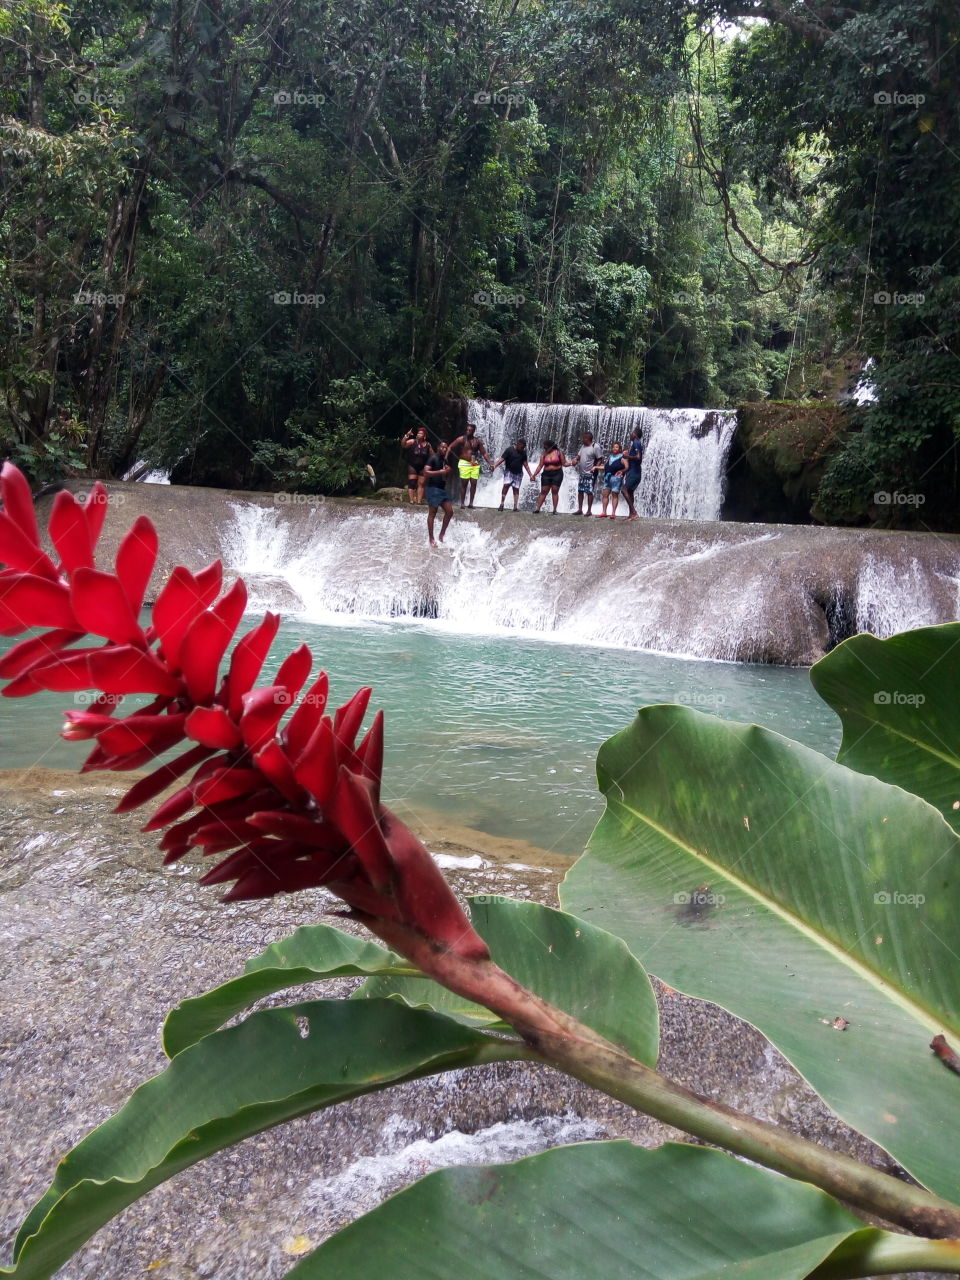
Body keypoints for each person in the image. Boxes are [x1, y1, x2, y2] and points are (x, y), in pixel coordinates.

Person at [447, 422, 494, 509]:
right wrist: (445, 458)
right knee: (464, 483)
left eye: (470, 430)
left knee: (474, 483)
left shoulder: (477, 441)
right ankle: (462, 503)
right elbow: (450, 447)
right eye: (467, 430)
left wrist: (491, 463)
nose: (468, 431)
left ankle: (471, 503)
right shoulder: (461, 439)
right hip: (464, 462)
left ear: (473, 431)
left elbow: (484, 453)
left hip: (474, 463)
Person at [566, 431, 604, 515]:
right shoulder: (583, 446)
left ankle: (589, 510)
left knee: (589, 491)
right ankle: (580, 509)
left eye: (583, 438)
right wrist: (575, 459)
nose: (581, 440)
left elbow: (600, 459)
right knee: (580, 491)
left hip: (591, 473)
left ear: (587, 438)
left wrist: (595, 467)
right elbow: (578, 456)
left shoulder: (595, 446)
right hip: (582, 473)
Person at [424, 441, 453, 546]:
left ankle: (441, 535)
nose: (444, 449)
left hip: (442, 490)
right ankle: (431, 538)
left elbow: (447, 474)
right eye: (442, 447)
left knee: (449, 512)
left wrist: (449, 470)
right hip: (433, 489)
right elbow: (426, 472)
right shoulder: (433, 458)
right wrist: (439, 472)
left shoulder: (445, 460)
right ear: (438, 448)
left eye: (446, 448)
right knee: (432, 513)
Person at [493, 438, 534, 510]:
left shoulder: (523, 453)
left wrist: (531, 475)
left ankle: (515, 507)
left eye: (524, 447)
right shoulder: (509, 450)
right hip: (509, 471)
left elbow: (526, 464)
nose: (522, 449)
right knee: (506, 485)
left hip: (518, 473)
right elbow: (502, 459)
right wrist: (494, 466)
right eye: (522, 447)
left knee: (516, 489)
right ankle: (502, 504)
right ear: (518, 444)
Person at [531, 439, 567, 513]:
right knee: (543, 491)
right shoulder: (544, 455)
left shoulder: (559, 453)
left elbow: (564, 463)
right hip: (546, 474)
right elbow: (540, 466)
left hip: (557, 473)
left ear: (551, 447)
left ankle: (554, 510)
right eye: (544, 448)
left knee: (555, 491)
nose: (545, 449)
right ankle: (537, 508)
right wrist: (534, 475)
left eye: (546, 447)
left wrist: (571, 463)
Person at [596, 441, 627, 518]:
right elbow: (605, 467)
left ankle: (613, 513)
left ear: (619, 449)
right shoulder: (610, 457)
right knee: (605, 494)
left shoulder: (622, 457)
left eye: (616, 447)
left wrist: (622, 472)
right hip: (607, 477)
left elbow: (627, 467)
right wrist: (595, 467)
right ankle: (604, 512)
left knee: (614, 495)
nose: (614, 448)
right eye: (614, 447)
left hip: (616, 478)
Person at [401, 427, 432, 503]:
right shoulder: (412, 441)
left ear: (424, 435)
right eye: (418, 433)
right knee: (412, 482)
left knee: (421, 484)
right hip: (413, 465)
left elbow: (432, 455)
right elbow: (403, 445)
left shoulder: (428, 445)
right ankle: (411, 500)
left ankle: (419, 501)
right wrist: (406, 435)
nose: (418, 434)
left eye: (421, 433)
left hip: (423, 466)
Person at [622, 426, 643, 521]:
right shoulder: (635, 443)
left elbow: (638, 457)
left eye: (631, 433)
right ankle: (631, 514)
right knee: (630, 492)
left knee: (624, 490)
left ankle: (634, 512)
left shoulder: (636, 442)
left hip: (635, 472)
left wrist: (627, 456)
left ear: (634, 434)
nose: (630, 434)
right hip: (633, 471)